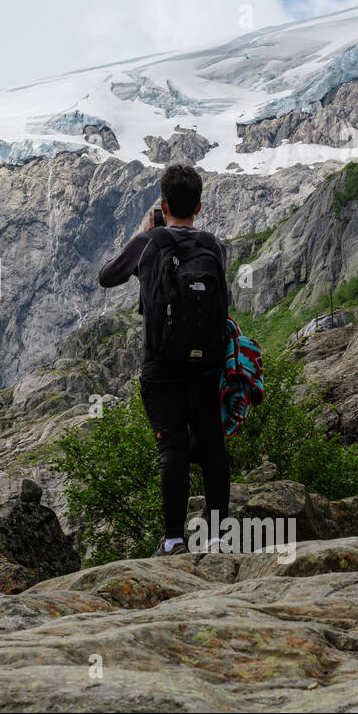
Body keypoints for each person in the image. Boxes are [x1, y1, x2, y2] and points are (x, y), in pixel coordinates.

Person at [97, 163, 231, 555]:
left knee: (171, 447)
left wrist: (146, 233)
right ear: (200, 206)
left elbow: (107, 277)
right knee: (212, 447)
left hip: (162, 365)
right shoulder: (215, 246)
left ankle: (173, 540)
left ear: (162, 202)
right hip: (208, 362)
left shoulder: (148, 243)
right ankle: (219, 538)